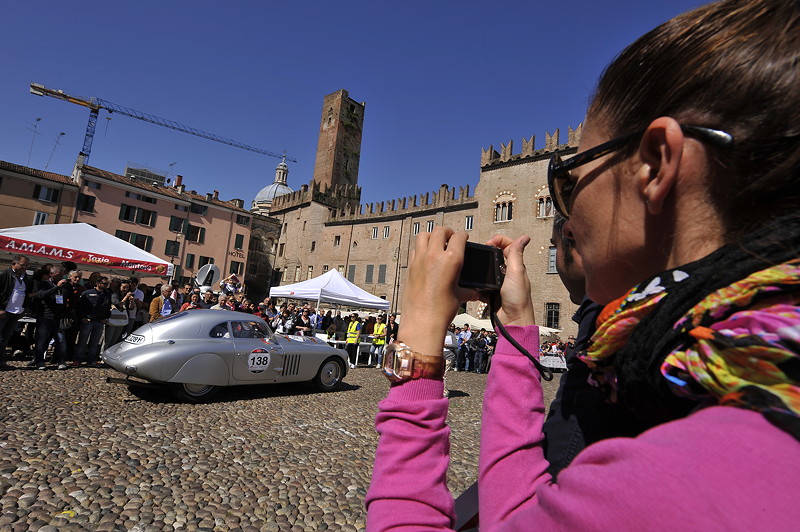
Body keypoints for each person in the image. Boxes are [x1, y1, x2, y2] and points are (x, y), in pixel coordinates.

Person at [366, 1, 800, 528]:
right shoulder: (722, 373)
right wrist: (520, 326)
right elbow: (524, 511)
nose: (564, 220)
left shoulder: (678, 484)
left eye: (568, 179)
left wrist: (416, 352)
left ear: (655, 165)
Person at [30, 264, 71, 370]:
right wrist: (57, 287)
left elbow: (69, 299)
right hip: (45, 317)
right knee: (42, 340)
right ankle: (39, 361)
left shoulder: (66, 285)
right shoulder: (45, 284)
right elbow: (42, 295)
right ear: (52, 274)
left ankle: (61, 361)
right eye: (58, 274)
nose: (61, 275)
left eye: (62, 274)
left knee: (61, 341)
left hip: (59, 317)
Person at [0, 255, 31, 368]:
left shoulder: (25, 278)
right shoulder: (4, 274)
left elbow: (25, 294)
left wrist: (23, 308)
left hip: (16, 312)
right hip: (4, 311)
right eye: (23, 264)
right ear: (14, 263)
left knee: (6, 337)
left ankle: (1, 360)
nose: (25, 267)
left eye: (27, 265)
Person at [74, 276, 111, 366]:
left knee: (94, 343)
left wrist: (106, 318)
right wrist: (83, 318)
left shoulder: (107, 294)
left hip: (99, 321)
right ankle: (77, 360)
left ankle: (91, 360)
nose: (106, 285)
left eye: (107, 284)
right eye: (104, 283)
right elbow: (80, 307)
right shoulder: (87, 293)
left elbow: (108, 307)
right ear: (97, 283)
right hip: (88, 320)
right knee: (82, 342)